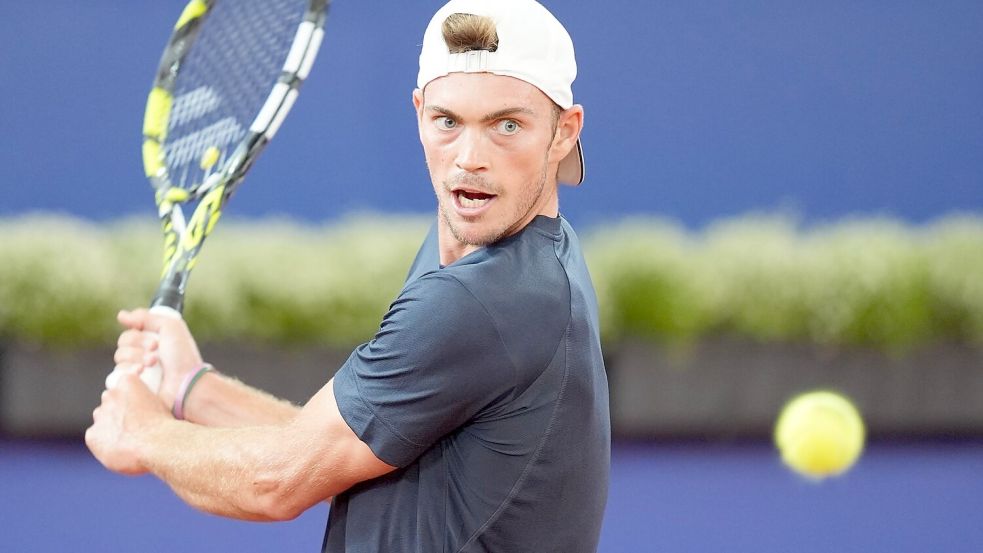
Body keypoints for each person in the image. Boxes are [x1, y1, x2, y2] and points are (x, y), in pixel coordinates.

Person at [86, 0, 610, 551]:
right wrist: (191, 386)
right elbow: (338, 441)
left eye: (506, 125)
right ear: (419, 113)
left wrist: (143, 433)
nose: (469, 158)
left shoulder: (480, 302)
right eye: (448, 121)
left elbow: (276, 481)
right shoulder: (523, 260)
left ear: (563, 132)